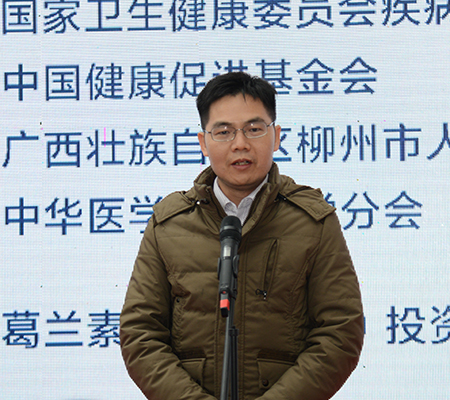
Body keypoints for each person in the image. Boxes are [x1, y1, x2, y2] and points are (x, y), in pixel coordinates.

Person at [120, 72, 364, 400]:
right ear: (203, 142)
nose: (240, 144)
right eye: (223, 131)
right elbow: (140, 333)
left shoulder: (313, 222)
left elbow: (340, 331)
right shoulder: (169, 223)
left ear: (276, 136)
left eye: (254, 129)